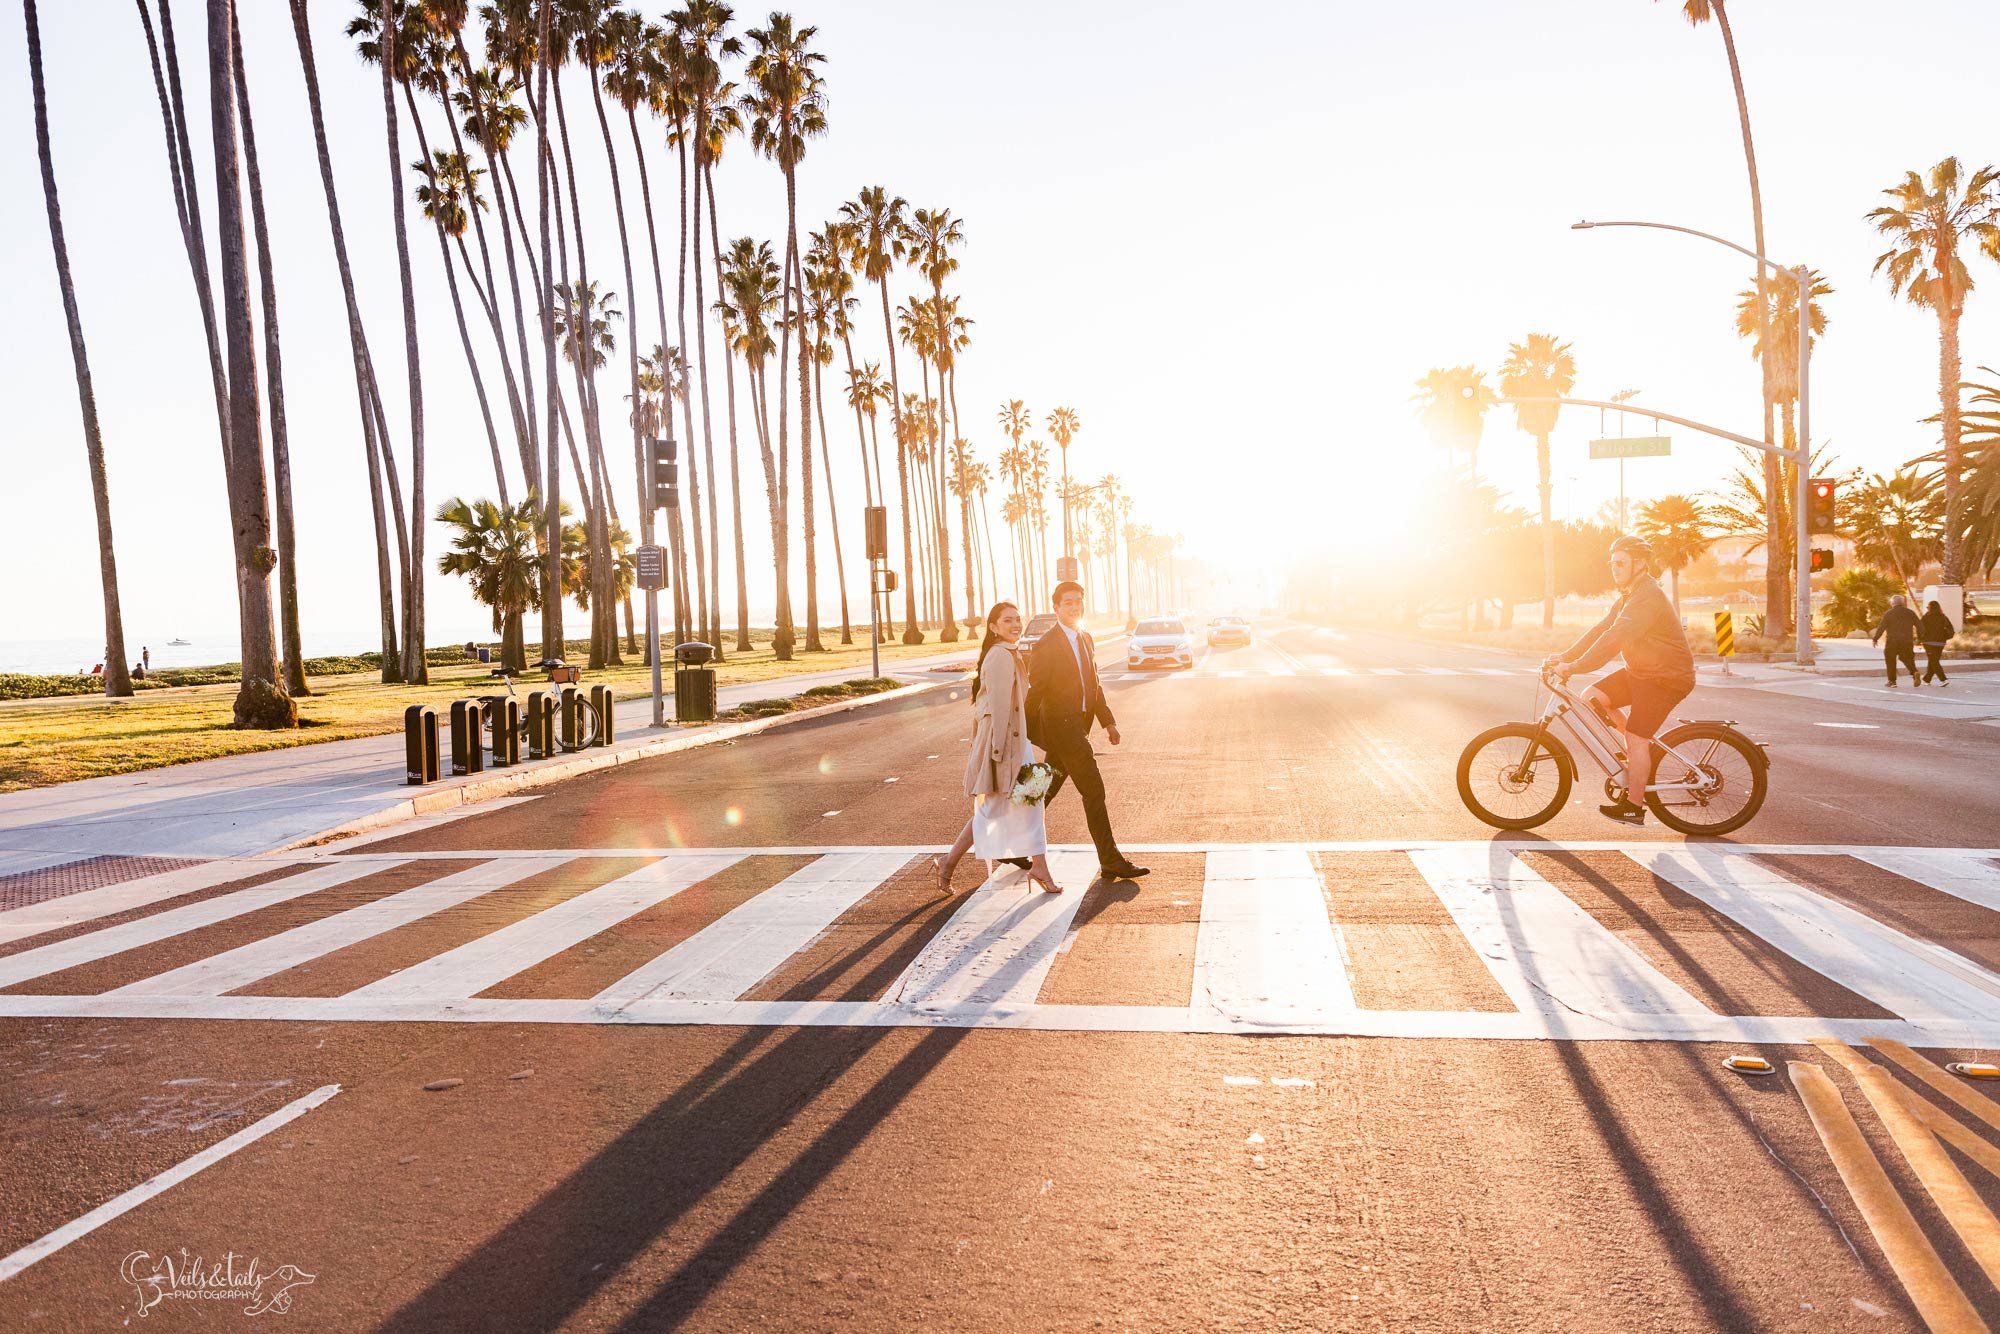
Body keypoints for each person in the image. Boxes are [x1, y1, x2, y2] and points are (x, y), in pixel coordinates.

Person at [1546, 535, 1697, 827]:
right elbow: (1601, 630)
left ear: (1639, 564)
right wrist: (1565, 656)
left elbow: (1614, 639)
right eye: (1612, 563)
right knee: (1591, 697)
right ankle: (1639, 756)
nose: (1614, 568)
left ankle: (1633, 806)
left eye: (1620, 563)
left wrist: (1575, 666)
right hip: (1642, 673)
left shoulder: (1646, 598)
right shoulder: (1630, 595)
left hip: (1666, 678)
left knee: (1636, 738)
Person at [935, 602, 1062, 896]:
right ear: (993, 627)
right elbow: (1000, 710)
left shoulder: (1006, 653)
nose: (1015, 625)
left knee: (1030, 806)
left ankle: (1039, 866)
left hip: (1018, 744)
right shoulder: (1000, 657)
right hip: (1007, 747)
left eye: (1018, 619)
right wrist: (998, 755)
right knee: (992, 809)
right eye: (1008, 621)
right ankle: (948, 862)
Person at [1026, 581, 1149, 880]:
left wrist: (1107, 721)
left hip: (1077, 727)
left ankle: (1010, 845)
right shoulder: (1046, 644)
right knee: (1093, 791)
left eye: (1078, 601)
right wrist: (1026, 731)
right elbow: (1035, 692)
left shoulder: (1086, 638)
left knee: (1038, 791)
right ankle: (1110, 860)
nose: (1074, 606)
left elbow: (1093, 684)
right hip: (1062, 728)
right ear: (1056, 607)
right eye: (1067, 602)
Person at [1871, 594, 1921, 688]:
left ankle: (1892, 681)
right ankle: (1914, 672)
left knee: (1890, 660)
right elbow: (1920, 626)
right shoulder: (1910, 613)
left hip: (1892, 641)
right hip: (1907, 641)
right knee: (1907, 658)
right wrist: (1920, 638)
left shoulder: (1889, 613)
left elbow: (1882, 627)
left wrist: (1875, 639)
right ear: (1902, 603)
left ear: (1892, 603)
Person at [1919, 599, 1955, 686]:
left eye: (1928, 607)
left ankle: (1943, 679)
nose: (1927, 608)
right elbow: (1951, 629)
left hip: (1928, 643)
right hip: (1940, 643)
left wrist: (1920, 639)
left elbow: (1920, 629)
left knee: (1934, 661)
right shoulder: (1943, 617)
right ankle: (1927, 679)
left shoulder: (1926, 617)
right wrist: (1945, 637)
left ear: (1930, 608)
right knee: (1933, 661)